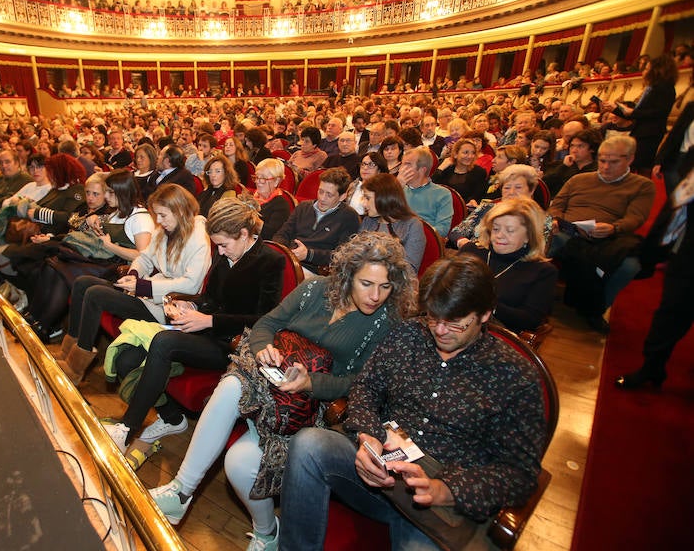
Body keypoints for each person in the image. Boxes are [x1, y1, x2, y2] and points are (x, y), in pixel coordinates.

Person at [149, 231, 417, 548]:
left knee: (238, 464)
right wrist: (263, 348)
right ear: (347, 276)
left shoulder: (384, 322)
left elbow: (360, 385)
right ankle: (182, 490)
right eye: (367, 284)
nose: (376, 295)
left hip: (311, 410)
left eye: (385, 286)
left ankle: (266, 533)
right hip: (269, 384)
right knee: (235, 383)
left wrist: (310, 383)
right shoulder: (314, 289)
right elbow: (266, 324)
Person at [280, 254, 546, 550]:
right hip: (381, 473)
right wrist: (369, 436)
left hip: (438, 500)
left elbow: (520, 474)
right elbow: (366, 387)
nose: (440, 330)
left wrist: (446, 490)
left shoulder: (514, 375)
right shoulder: (409, 334)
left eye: (455, 323)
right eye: (433, 317)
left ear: (485, 314)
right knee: (308, 444)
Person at [104, 197, 285, 448]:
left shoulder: (271, 261)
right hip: (205, 330)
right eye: (217, 245)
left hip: (232, 345)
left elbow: (264, 320)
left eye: (223, 245)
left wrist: (209, 320)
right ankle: (171, 418)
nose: (219, 252)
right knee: (127, 357)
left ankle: (127, 429)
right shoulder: (226, 252)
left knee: (163, 341)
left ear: (244, 234)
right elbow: (209, 296)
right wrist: (191, 305)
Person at [58, 184, 210, 384]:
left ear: (179, 210)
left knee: (96, 294)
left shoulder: (198, 238)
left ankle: (76, 368)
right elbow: (145, 257)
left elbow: (191, 286)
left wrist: (143, 287)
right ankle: (68, 353)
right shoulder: (166, 229)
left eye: (163, 215)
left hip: (166, 306)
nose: (160, 221)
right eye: (157, 215)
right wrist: (134, 274)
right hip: (147, 292)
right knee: (82, 283)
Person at [23, 169, 154, 341]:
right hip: (103, 261)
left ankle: (44, 326)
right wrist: (94, 223)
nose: (105, 196)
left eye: (109, 192)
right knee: (53, 265)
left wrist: (109, 245)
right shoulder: (116, 212)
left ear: (121, 192)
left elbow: (142, 257)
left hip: (120, 270)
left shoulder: (140, 218)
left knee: (63, 272)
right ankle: (35, 317)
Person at [548, 135, 655, 332]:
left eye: (613, 162)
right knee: (548, 240)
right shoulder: (579, 179)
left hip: (608, 237)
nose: (605, 167)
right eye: (602, 160)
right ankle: (533, 295)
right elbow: (558, 204)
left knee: (630, 266)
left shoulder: (641, 185)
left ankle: (596, 309)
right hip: (568, 231)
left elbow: (635, 217)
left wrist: (613, 227)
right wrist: (556, 220)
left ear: (629, 159)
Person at [616, 163, 694, 390]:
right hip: (688, 254)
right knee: (671, 311)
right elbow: (676, 209)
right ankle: (652, 366)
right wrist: (654, 252)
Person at [459, 198, 558, 333]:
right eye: (496, 229)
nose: (500, 235)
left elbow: (531, 320)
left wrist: (489, 305)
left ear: (528, 236)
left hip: (496, 336)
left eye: (510, 230)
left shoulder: (542, 271)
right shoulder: (471, 251)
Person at [273, 167, 360, 277]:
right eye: (320, 191)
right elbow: (282, 234)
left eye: (329, 194)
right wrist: (283, 251)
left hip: (316, 270)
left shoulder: (349, 217)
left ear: (342, 197)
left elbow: (343, 255)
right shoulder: (303, 207)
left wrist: (308, 255)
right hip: (289, 260)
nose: (322, 198)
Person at [602, 54, 678, 172]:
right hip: (642, 132)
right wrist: (615, 109)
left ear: (656, 70)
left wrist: (631, 111)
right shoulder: (652, 88)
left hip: (649, 134)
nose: (644, 71)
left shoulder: (664, 87)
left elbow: (657, 113)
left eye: (647, 68)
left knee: (637, 168)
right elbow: (634, 114)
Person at [448, 164, 553, 249]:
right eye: (507, 187)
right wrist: (463, 242)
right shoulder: (487, 208)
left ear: (531, 191)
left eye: (518, 187)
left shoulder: (542, 219)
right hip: (471, 257)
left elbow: (536, 250)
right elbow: (456, 232)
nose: (511, 192)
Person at [360, 173, 424, 273]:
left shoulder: (412, 225)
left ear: (383, 198)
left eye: (367, 198)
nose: (363, 203)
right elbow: (356, 254)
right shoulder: (368, 221)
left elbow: (409, 269)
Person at [398, 146, 453, 236]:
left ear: (422, 170)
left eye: (407, 164)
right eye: (401, 164)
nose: (401, 169)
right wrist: (397, 188)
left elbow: (442, 229)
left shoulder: (442, 194)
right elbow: (382, 217)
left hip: (423, 241)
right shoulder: (399, 189)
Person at [542, 127, 600, 197]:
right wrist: (563, 167)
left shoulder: (598, 170)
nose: (574, 150)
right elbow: (544, 185)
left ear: (592, 149)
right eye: (572, 146)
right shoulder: (560, 165)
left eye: (580, 146)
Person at [432, 137, 488, 204]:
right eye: (466, 152)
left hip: (464, 209)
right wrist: (440, 169)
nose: (470, 156)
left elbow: (477, 196)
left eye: (473, 153)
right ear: (455, 154)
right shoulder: (445, 168)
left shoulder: (479, 172)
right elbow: (430, 187)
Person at [252, 158, 292, 240]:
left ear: (276, 181)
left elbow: (270, 235)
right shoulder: (251, 197)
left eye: (263, 178)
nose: (258, 182)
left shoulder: (281, 205)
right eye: (256, 177)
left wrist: (250, 216)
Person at [345, 151, 387, 215]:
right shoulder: (353, 185)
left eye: (371, 164)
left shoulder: (383, 189)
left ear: (379, 170)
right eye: (363, 164)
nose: (365, 168)